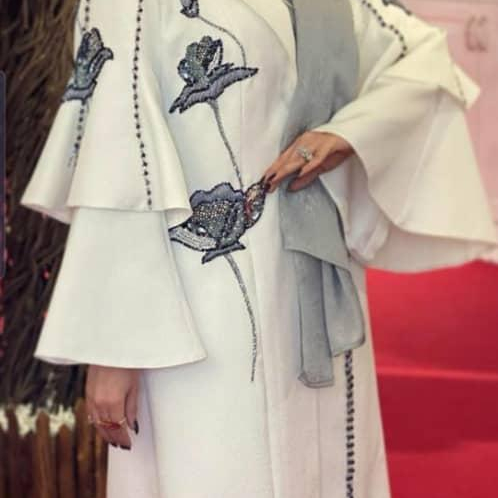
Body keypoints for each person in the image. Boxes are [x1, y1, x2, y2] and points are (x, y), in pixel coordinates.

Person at [20, 0, 497, 497]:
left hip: (316, 289)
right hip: (198, 311)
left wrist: (346, 134)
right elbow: (118, 159)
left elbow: (420, 56)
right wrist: (114, 349)